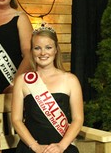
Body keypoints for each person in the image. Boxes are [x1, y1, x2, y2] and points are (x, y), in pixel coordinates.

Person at [11, 24, 84, 153]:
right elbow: (16, 120)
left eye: (48, 47)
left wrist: (61, 146)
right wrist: (35, 146)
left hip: (62, 146)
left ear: (56, 50)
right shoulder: (22, 81)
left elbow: (78, 119)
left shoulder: (71, 80)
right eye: (37, 48)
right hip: (31, 147)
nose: (43, 53)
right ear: (32, 51)